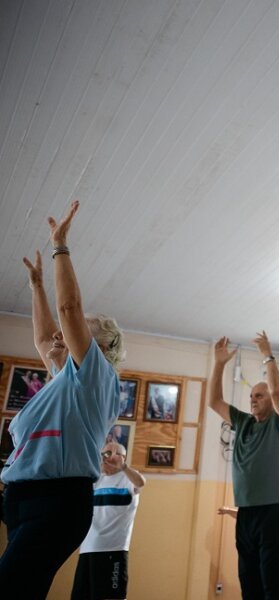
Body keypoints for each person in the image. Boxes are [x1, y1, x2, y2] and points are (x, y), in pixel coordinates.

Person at [0, 201, 126, 600]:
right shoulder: (63, 379)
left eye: (74, 336)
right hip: (23, 499)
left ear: (102, 348)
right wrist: (37, 285)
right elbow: (43, 338)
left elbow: (69, 308)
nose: (61, 336)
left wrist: (60, 247)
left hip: (58, 500)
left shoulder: (96, 376)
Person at [209, 331, 279, 600]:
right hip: (247, 514)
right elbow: (214, 401)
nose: (253, 399)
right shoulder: (244, 422)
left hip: (276, 513)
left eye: (260, 395)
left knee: (275, 585)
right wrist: (220, 364)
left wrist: (267, 355)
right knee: (250, 584)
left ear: (271, 399)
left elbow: (277, 389)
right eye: (252, 396)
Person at [71, 441, 146, 600]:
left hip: (114, 549)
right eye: (105, 453)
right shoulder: (95, 480)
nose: (109, 457)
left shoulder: (128, 478)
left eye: (114, 453)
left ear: (123, 457)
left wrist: (123, 467)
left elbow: (141, 483)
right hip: (87, 549)